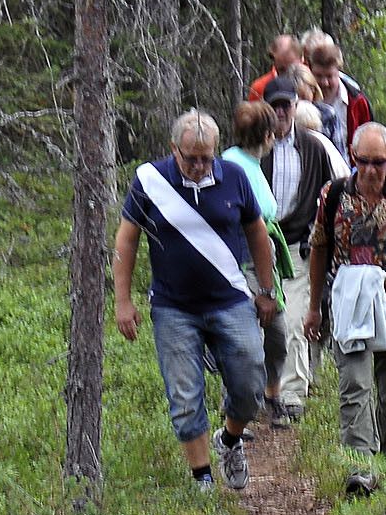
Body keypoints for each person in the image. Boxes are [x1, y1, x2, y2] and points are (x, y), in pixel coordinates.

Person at [113, 109, 274, 492]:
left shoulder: (234, 177)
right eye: (191, 158)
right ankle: (202, 479)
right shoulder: (149, 180)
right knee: (184, 395)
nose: (200, 166)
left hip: (230, 299)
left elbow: (257, 232)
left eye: (207, 157)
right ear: (174, 149)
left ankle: (231, 439)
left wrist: (266, 290)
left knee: (251, 382)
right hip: (174, 307)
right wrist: (123, 301)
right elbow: (126, 239)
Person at [304, 123, 386, 495]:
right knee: (354, 384)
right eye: (365, 161)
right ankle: (361, 466)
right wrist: (315, 306)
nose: (373, 170)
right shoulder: (334, 195)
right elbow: (320, 249)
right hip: (348, 297)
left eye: (379, 162)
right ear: (352, 158)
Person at [259, 75, 346, 426]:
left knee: (295, 319)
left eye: (286, 105)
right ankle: (255, 392)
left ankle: (292, 395)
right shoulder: (252, 149)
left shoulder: (316, 146)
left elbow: (341, 185)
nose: (281, 112)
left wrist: (323, 231)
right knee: (260, 324)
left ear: (296, 106)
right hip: (258, 249)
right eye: (275, 106)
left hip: (298, 246)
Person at [220, 100, 292, 428]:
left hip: (265, 262)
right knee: (241, 335)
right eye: (272, 134)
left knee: (277, 332)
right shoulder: (230, 166)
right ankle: (237, 410)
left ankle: (271, 394)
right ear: (265, 135)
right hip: (241, 262)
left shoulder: (250, 162)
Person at [301, 28, 375, 154]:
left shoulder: (356, 101)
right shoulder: (303, 99)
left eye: (330, 76)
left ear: (339, 72)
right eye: (319, 76)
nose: (324, 82)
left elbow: (369, 141)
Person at [246, 33, 302, 102]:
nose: (289, 73)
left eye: (293, 67)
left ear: (301, 59)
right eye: (283, 70)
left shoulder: (311, 82)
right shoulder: (259, 88)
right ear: (274, 61)